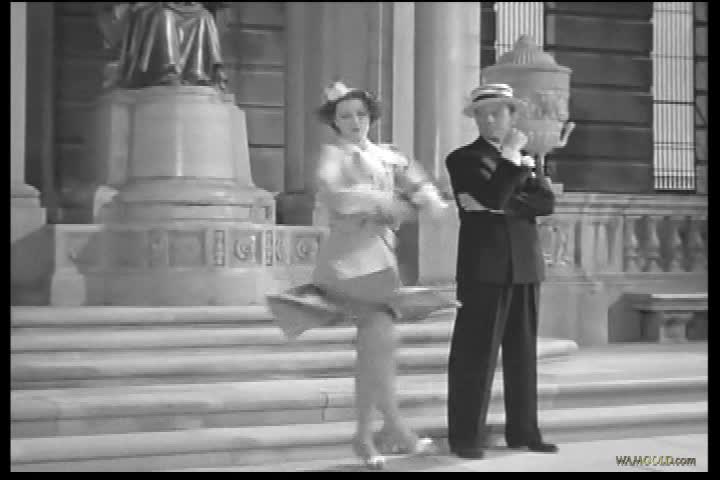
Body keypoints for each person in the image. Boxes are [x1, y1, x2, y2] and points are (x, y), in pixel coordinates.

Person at [284, 81, 448, 469]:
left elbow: (420, 185)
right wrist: (387, 203)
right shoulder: (334, 156)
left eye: (360, 114)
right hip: (348, 261)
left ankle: (369, 434)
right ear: (335, 122)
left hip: (379, 256)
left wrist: (425, 200)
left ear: (370, 116)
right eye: (346, 116)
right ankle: (392, 429)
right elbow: (338, 198)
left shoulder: (386, 155)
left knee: (375, 351)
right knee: (379, 344)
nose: (355, 121)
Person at [444, 83, 558, 459]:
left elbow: (545, 203)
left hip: (525, 266)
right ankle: (466, 438)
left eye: (498, 112)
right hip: (483, 269)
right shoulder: (462, 159)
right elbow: (493, 195)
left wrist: (502, 202)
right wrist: (509, 166)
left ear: (512, 116)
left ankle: (524, 432)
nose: (490, 120)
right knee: (475, 355)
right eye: (483, 114)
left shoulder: (524, 159)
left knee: (523, 355)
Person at [97, 2, 228, 90]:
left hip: (181, 7)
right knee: (164, 15)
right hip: (148, 8)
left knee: (204, 16)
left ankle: (197, 73)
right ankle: (167, 71)